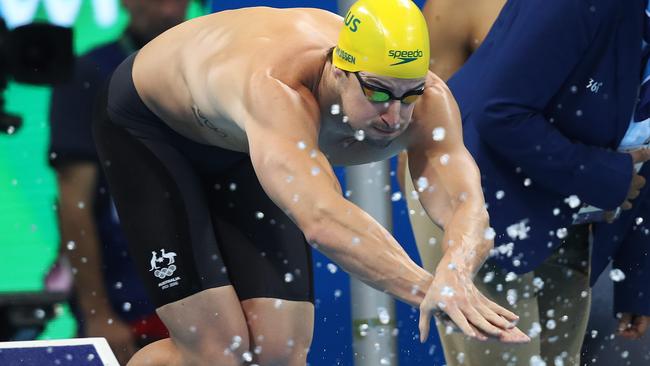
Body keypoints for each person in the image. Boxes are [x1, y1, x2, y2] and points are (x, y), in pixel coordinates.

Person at [91, 0, 532, 364]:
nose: (394, 115)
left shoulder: (430, 100)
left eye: (408, 95)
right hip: (151, 128)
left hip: (247, 143)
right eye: (378, 92)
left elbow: (467, 207)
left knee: (280, 352)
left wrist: (455, 271)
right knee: (215, 352)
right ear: (340, 70)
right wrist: (429, 291)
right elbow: (323, 221)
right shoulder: (282, 89)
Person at [398, 0, 650, 365]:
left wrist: (637, 277)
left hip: (565, 203)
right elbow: (496, 113)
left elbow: (638, 146)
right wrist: (605, 176)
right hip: (480, 187)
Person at [47, 0, 191, 363]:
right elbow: (72, 201)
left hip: (202, 296)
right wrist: (97, 311)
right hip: (128, 302)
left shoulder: (203, 70)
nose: (170, 10)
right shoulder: (90, 72)